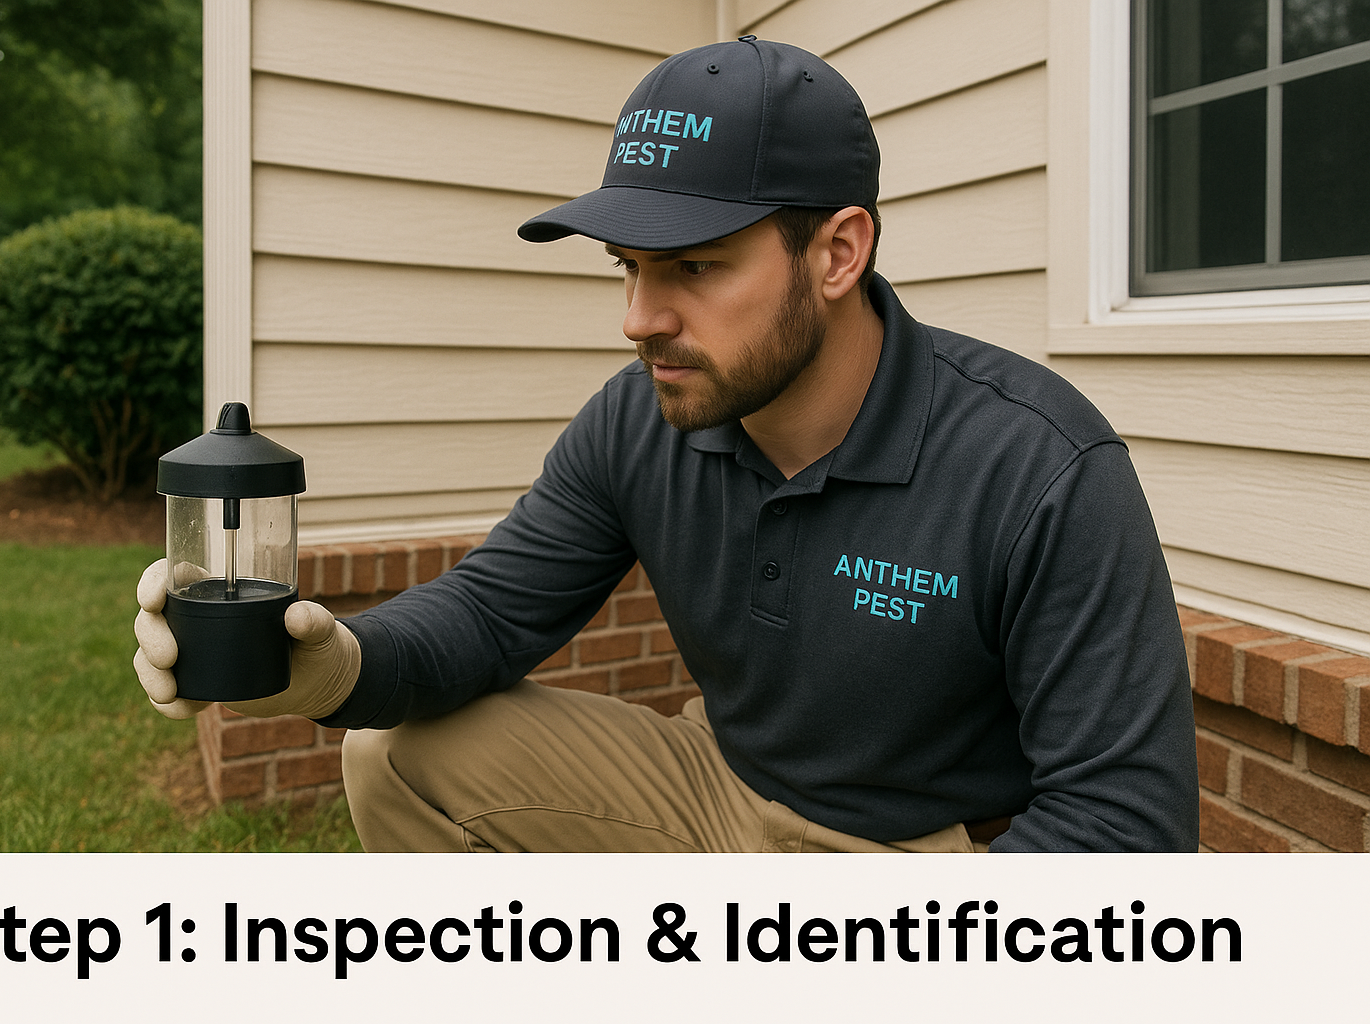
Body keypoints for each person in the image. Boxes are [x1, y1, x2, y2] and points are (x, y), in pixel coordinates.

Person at [134, 37, 1199, 853]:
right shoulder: (639, 417)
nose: (640, 319)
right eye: (628, 267)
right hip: (716, 788)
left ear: (838, 252)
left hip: (914, 856)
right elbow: (491, 614)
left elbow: (1126, 824)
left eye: (694, 266)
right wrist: (331, 668)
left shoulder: (1038, 466)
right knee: (398, 753)